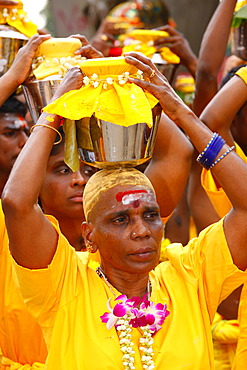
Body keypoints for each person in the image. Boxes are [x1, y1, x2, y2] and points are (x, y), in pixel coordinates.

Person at [2, 51, 247, 369]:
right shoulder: (65, 286)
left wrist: (180, 112)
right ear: (89, 235)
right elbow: (16, 203)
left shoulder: (189, 276)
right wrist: (53, 113)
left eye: (150, 215)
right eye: (120, 219)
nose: (142, 230)